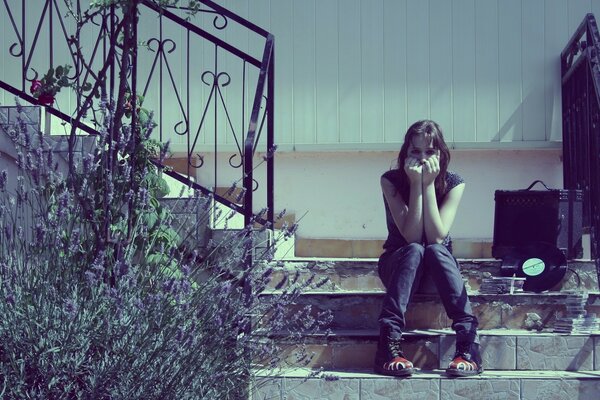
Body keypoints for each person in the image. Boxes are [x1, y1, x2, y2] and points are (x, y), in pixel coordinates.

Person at [373, 120, 483, 377]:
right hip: (399, 269)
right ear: (405, 154)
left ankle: (467, 346)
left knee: (433, 250)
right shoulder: (390, 180)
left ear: (441, 154)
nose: (423, 159)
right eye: (415, 152)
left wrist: (428, 185)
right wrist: (415, 185)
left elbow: (435, 236)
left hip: (437, 274)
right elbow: (412, 236)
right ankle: (388, 346)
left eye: (430, 152)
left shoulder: (454, 182)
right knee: (415, 250)